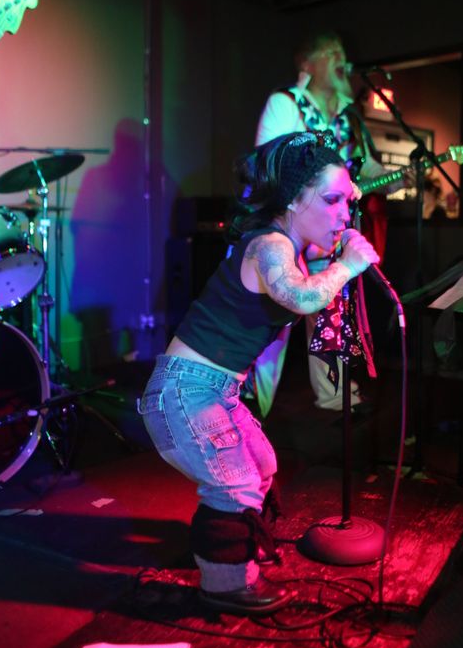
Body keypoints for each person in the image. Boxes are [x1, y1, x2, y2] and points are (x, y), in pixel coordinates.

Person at [138, 132, 379, 616]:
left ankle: (231, 546)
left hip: (216, 389)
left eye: (347, 202)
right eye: (331, 200)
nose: (344, 214)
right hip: (186, 390)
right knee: (236, 483)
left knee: (263, 465)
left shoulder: (289, 247)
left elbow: (312, 288)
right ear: (291, 200)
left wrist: (336, 249)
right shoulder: (269, 246)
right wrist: (349, 265)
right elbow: (303, 297)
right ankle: (225, 583)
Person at [253, 31, 396, 415]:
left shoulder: (349, 118)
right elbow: (270, 164)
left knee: (330, 312)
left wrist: (396, 178)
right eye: (331, 53)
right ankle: (252, 407)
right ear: (306, 64)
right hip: (285, 230)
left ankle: (334, 393)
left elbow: (365, 169)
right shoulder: (286, 104)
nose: (341, 60)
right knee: (277, 321)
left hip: (325, 234)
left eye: (342, 53)